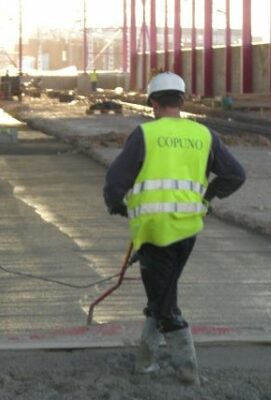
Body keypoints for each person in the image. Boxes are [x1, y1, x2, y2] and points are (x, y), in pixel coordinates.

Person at [103, 72, 245, 385]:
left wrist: (118, 205)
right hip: (188, 230)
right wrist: (206, 199)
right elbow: (235, 175)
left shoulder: (146, 134)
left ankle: (188, 369)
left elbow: (115, 181)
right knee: (162, 293)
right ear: (182, 101)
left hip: (154, 232)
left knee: (165, 304)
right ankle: (145, 361)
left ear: (153, 102)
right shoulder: (204, 135)